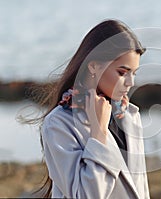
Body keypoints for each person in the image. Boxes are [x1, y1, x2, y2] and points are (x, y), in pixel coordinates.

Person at [35, 19, 150, 198]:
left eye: (134, 73)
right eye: (122, 72)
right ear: (94, 66)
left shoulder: (128, 115)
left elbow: (140, 190)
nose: (131, 82)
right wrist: (99, 132)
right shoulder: (58, 123)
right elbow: (86, 195)